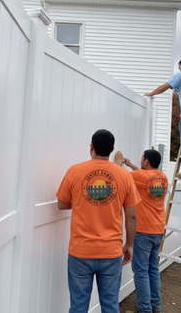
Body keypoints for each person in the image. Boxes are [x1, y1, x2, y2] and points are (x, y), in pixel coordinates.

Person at [56, 129, 140, 313]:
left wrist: (80, 201)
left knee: (78, 306)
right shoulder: (125, 176)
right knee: (110, 305)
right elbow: (132, 214)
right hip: (111, 252)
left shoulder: (74, 171)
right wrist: (130, 245)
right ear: (112, 150)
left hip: (80, 251)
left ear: (91, 147)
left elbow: (61, 204)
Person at [115, 150, 167, 313]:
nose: (141, 159)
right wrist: (130, 165)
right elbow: (145, 176)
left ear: (146, 162)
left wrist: (118, 161)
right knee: (153, 268)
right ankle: (155, 305)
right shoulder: (162, 177)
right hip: (158, 229)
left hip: (144, 231)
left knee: (141, 271)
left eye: (142, 158)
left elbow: (118, 175)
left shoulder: (141, 177)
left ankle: (145, 309)